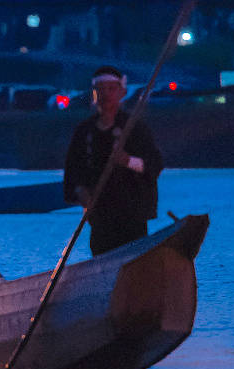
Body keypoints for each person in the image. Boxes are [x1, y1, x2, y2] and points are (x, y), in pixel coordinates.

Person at [63, 65, 164, 255]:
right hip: (100, 215)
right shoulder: (84, 132)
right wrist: (80, 192)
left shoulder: (134, 128)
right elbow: (73, 171)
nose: (106, 94)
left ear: (122, 92)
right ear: (94, 94)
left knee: (133, 259)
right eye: (100, 90)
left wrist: (128, 161)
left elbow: (155, 164)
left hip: (131, 214)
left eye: (111, 89)